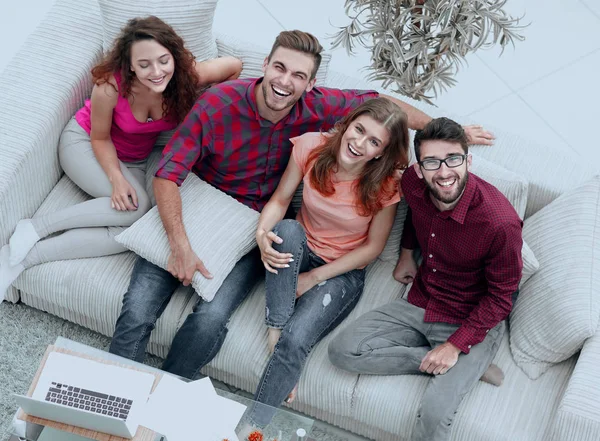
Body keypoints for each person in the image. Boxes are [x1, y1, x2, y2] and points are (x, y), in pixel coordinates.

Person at [108, 29, 496, 379]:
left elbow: (381, 106)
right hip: (195, 208)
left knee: (210, 319)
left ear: (311, 84)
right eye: (280, 68)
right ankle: (109, 404)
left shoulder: (319, 107)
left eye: (298, 76)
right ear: (265, 65)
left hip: (250, 227)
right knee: (137, 311)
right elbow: (168, 173)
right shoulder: (217, 103)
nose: (285, 82)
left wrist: (447, 134)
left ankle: (167, 398)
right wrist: (180, 247)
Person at [0, 16, 242, 299]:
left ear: (174, 56)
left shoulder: (188, 77)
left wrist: (207, 106)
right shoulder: (110, 87)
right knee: (138, 209)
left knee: (127, 232)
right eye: (144, 64)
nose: (156, 71)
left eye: (164, 60)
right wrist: (116, 180)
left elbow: (234, 66)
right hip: (85, 144)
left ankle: (25, 259)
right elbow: (99, 138)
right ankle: (36, 227)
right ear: (129, 65)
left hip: (135, 160)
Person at [328, 117, 523, 441]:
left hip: (469, 319)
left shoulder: (500, 223)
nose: (444, 172)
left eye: (453, 160)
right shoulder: (413, 185)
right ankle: (454, 365)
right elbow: (418, 216)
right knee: (342, 351)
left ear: (468, 160)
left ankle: (462, 361)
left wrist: (454, 346)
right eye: (432, 162)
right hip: (422, 299)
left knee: (433, 416)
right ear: (419, 168)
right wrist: (407, 252)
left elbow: (502, 296)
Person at [244, 97, 409, 428]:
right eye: (359, 130)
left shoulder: (387, 182)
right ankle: (276, 328)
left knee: (296, 340)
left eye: (373, 141)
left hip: (341, 272)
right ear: (348, 124)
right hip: (299, 248)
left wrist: (313, 278)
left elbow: (373, 249)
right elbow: (279, 200)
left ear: (381, 152)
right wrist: (262, 233)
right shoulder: (311, 147)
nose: (360, 143)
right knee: (286, 229)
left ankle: (250, 431)